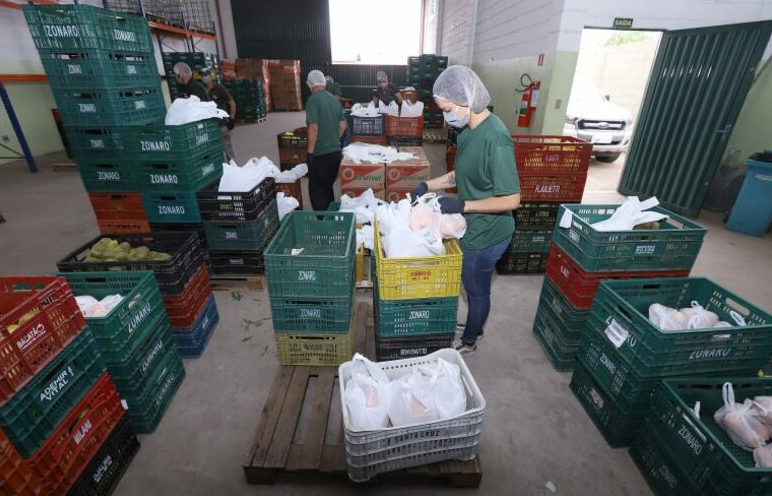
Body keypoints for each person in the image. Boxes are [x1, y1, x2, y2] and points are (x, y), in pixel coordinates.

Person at [410, 65, 521, 356]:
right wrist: (427, 184)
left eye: (447, 109)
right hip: (473, 223)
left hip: (489, 232)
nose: (446, 116)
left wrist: (463, 205)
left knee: (475, 288)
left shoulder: (496, 139)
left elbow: (512, 199)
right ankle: (475, 322)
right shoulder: (467, 130)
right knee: (471, 283)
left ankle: (471, 339)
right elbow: (460, 174)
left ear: (467, 100)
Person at [305, 70, 347, 210]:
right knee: (328, 186)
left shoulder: (312, 100)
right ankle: (330, 214)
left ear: (310, 84)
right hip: (335, 153)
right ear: (323, 82)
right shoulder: (334, 100)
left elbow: (313, 128)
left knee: (317, 189)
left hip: (320, 154)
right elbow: (343, 125)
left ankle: (323, 219)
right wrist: (335, 138)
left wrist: (310, 153)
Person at [203, 75, 237, 162]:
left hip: (222, 125)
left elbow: (232, 104)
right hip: (209, 127)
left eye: (206, 75)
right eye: (202, 75)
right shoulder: (202, 90)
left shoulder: (219, 88)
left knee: (228, 152)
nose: (205, 77)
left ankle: (234, 168)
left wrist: (232, 120)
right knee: (215, 153)